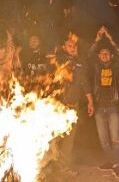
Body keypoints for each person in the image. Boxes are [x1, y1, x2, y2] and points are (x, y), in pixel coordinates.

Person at [40, 32, 94, 177]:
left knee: (69, 140)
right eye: (69, 45)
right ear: (63, 46)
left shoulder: (80, 61)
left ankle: (64, 167)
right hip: (58, 106)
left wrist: (90, 101)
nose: (72, 47)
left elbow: (85, 83)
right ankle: (45, 167)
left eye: (74, 45)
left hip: (73, 106)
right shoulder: (59, 59)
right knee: (53, 137)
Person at [88, 26, 119, 179]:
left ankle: (117, 166)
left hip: (113, 107)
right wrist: (97, 39)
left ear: (110, 56)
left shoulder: (115, 67)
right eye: (102, 53)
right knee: (104, 141)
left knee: (115, 139)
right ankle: (111, 161)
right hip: (98, 108)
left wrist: (109, 37)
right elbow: (89, 55)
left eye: (107, 53)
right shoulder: (96, 67)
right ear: (99, 56)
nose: (104, 55)